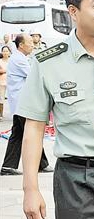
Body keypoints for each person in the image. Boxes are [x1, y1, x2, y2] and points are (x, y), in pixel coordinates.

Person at [17, 0, 94, 219]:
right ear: (74, 12)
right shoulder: (47, 63)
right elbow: (33, 128)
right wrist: (30, 189)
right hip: (76, 181)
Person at [1, 34, 51, 176]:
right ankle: (41, 164)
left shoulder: (20, 58)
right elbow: (34, 76)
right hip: (23, 103)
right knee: (32, 132)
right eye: (29, 42)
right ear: (21, 45)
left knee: (18, 134)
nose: (32, 44)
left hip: (19, 103)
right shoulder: (18, 60)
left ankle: (8, 166)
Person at [0, 45, 11, 119]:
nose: (5, 53)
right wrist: (5, 71)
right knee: (1, 99)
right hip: (1, 82)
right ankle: (0, 114)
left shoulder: (12, 61)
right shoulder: (0, 61)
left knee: (14, 98)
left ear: (9, 52)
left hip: (11, 82)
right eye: (4, 51)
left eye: (7, 51)